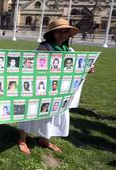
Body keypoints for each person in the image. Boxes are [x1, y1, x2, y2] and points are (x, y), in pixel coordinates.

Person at [17, 18, 95, 155]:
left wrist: (86, 69)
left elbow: (73, 71)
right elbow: (33, 67)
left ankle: (44, 139)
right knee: (31, 112)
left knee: (52, 113)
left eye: (66, 31)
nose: (63, 34)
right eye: (59, 31)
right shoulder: (44, 48)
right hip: (41, 87)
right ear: (52, 33)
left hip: (59, 90)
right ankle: (22, 140)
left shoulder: (70, 50)